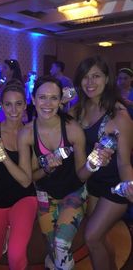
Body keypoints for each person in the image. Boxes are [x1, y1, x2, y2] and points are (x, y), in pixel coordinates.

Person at [16, 75, 95, 270]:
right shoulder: (26, 133)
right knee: (52, 248)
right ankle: (52, 262)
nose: (48, 104)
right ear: (33, 100)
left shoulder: (73, 130)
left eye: (53, 98)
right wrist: (46, 168)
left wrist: (94, 164)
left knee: (61, 243)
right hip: (45, 195)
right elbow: (28, 180)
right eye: (42, 97)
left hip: (73, 192)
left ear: (61, 101)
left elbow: (81, 175)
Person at [72, 56, 133, 270]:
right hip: (91, 184)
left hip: (114, 187)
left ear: (107, 79)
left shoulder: (119, 115)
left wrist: (130, 185)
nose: (90, 82)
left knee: (91, 237)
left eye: (96, 76)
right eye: (85, 77)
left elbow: (125, 163)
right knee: (101, 236)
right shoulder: (79, 108)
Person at [0, 80, 37, 270]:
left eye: (19, 104)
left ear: (25, 104)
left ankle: (14, 230)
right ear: (1, 105)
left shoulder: (30, 132)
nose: (13, 110)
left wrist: (2, 156)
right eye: (8, 104)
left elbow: (26, 181)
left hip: (24, 197)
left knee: (16, 255)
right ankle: (6, 233)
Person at [0, 59, 24, 124]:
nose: (2, 70)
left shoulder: (15, 85)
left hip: (11, 116)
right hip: (2, 114)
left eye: (5, 68)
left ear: (12, 71)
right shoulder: (4, 84)